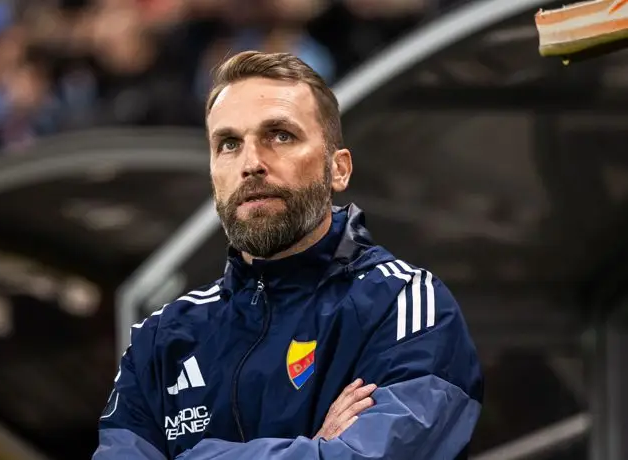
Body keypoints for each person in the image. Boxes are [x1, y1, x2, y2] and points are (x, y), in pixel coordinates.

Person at [93, 51, 484, 460]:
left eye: (280, 135)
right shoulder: (160, 339)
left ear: (338, 169)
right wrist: (318, 449)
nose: (251, 163)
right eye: (229, 144)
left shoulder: (404, 304)